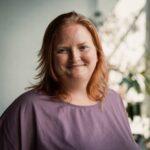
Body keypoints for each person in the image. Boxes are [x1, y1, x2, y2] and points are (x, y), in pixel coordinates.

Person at [0, 11, 140, 150]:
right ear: (50, 58)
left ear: (97, 53)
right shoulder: (28, 107)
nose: (75, 57)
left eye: (83, 47)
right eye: (63, 50)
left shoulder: (114, 100)